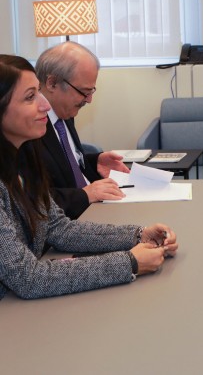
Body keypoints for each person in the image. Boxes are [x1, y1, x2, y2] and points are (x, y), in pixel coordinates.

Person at [0, 54, 178, 300]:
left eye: (39, 93)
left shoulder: (26, 157)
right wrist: (130, 262)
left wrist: (138, 235)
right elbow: (28, 278)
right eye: (30, 97)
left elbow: (58, 228)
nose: (45, 105)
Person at [35, 41, 129, 219]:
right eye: (84, 92)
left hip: (96, 210)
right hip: (69, 223)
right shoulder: (29, 128)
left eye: (92, 90)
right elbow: (34, 202)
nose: (89, 100)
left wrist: (95, 162)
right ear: (52, 83)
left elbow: (65, 164)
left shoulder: (65, 113)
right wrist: (85, 195)